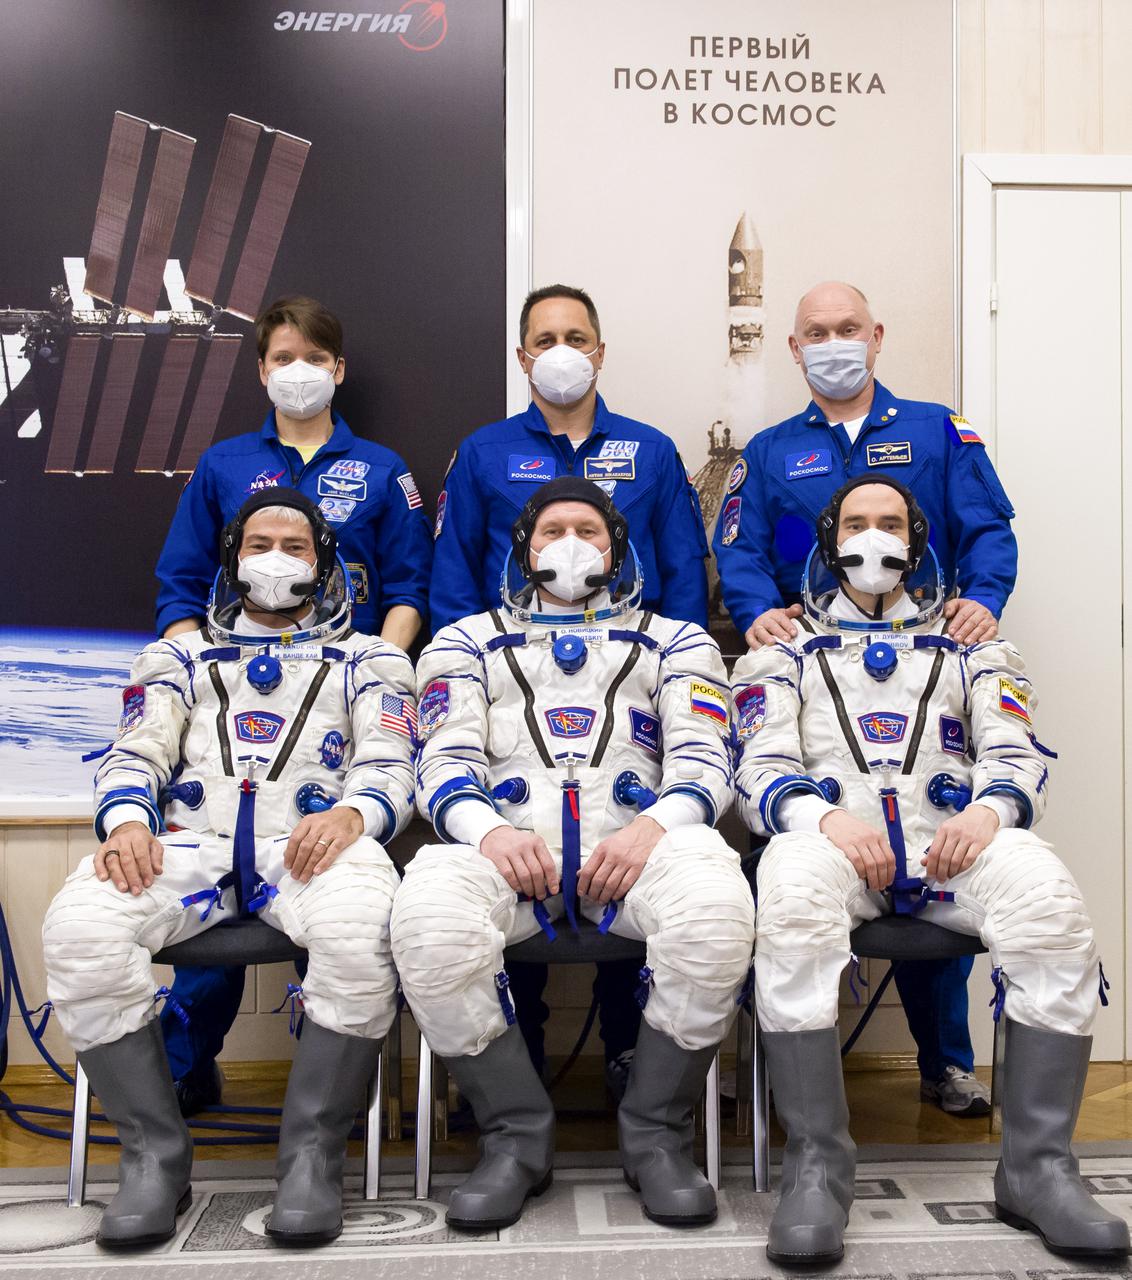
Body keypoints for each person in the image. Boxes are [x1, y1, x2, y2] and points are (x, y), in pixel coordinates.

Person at [731, 475, 1128, 1265]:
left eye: (891, 522)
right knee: (790, 903)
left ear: (917, 542)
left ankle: (1038, 1171)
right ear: (828, 539)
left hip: (954, 842)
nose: (873, 537)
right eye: (855, 522)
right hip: (834, 842)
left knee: (1050, 907)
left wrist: (990, 812)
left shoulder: (977, 645)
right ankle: (818, 1170)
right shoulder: (780, 651)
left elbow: (1016, 753)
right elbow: (761, 768)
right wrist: (825, 819)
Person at [42, 489, 415, 1248]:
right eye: (258, 545)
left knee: (362, 929)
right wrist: (127, 823)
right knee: (80, 929)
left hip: (313, 844)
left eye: (295, 547)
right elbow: (134, 754)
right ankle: (154, 1158)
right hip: (190, 846)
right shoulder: (176, 658)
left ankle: (311, 1157)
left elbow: (390, 761)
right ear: (233, 561)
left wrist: (354, 814)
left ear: (325, 563)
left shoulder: (369, 659)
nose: (275, 560)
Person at [392, 477, 754, 1230]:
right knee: (427, 924)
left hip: (638, 844)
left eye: (588, 530)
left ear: (616, 549)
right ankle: (515, 1136)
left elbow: (705, 759)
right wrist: (489, 832)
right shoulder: (464, 642)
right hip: (504, 847)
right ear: (524, 550)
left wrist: (653, 828)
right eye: (551, 530)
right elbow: (443, 762)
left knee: (718, 915)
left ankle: (656, 1135)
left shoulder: (677, 641)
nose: (569, 544)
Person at [715, 280, 1020, 1117]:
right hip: (815, 689)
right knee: (789, 870)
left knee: (940, 840)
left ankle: (944, 1062)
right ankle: (780, 1065)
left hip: (927, 678)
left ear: (876, 335)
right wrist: (758, 612)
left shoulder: (937, 430)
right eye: (816, 332)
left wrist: (984, 599)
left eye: (847, 327)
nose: (833, 343)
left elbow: (988, 527)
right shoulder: (770, 452)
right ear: (793, 348)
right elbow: (739, 549)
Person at [430, 285, 711, 1097]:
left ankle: (630, 1052)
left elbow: (683, 579)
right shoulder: (482, 452)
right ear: (523, 356)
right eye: (545, 338)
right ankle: (518, 1064)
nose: (562, 351)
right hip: (513, 695)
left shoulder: (651, 451)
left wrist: (677, 683)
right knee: (512, 850)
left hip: (630, 697)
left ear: (600, 350)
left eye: (576, 336)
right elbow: (455, 582)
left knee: (632, 844)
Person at [153, 295, 432, 1113]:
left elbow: (409, 586)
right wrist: (202, 676)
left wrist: (381, 666)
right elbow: (178, 585)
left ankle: (329, 1079)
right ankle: (184, 1063)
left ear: (338, 370)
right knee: (212, 880)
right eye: (283, 357)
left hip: (342, 707)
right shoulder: (223, 465)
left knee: (332, 884)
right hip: (236, 714)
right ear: (262, 370)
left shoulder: (383, 470)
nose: (298, 371)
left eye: (314, 357)